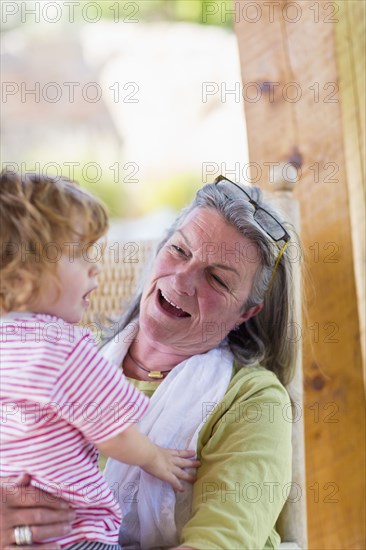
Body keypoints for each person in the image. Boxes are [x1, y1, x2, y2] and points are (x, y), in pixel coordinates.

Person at [0, 174, 299, 550]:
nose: (183, 280)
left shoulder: (252, 399)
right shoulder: (56, 361)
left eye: (218, 280)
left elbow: (219, 544)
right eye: (179, 251)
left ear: (246, 312)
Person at [0, 170, 199, 550]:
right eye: (78, 254)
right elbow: (113, 431)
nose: (95, 267)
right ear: (25, 281)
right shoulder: (63, 346)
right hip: (75, 534)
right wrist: (155, 458)